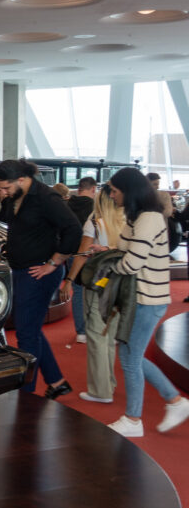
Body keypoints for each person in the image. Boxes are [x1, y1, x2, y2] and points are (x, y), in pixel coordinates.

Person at [104, 168, 189, 437]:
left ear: (128, 191)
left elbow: (132, 262)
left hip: (147, 300)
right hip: (139, 298)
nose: (112, 196)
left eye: (115, 191)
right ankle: (174, 401)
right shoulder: (139, 216)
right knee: (131, 356)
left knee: (130, 359)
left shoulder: (149, 218)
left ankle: (134, 419)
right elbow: (126, 252)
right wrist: (110, 255)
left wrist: (108, 266)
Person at [0, 159, 82, 398]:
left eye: (5, 188)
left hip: (39, 274)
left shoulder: (46, 198)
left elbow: (73, 229)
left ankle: (27, 394)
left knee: (26, 333)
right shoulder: (15, 197)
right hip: (23, 271)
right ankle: (56, 381)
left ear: (22, 180)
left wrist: (54, 262)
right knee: (30, 328)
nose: (2, 193)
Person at [59, 184, 126, 402]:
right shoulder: (126, 220)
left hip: (98, 283)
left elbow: (81, 254)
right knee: (108, 336)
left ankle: (100, 390)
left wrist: (69, 280)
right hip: (119, 284)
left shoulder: (94, 222)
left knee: (97, 335)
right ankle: (109, 383)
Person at [65, 176, 97, 343]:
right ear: (93, 189)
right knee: (95, 290)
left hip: (71, 254)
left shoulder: (67, 205)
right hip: (90, 253)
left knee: (77, 291)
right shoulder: (95, 209)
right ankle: (95, 327)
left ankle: (81, 331)